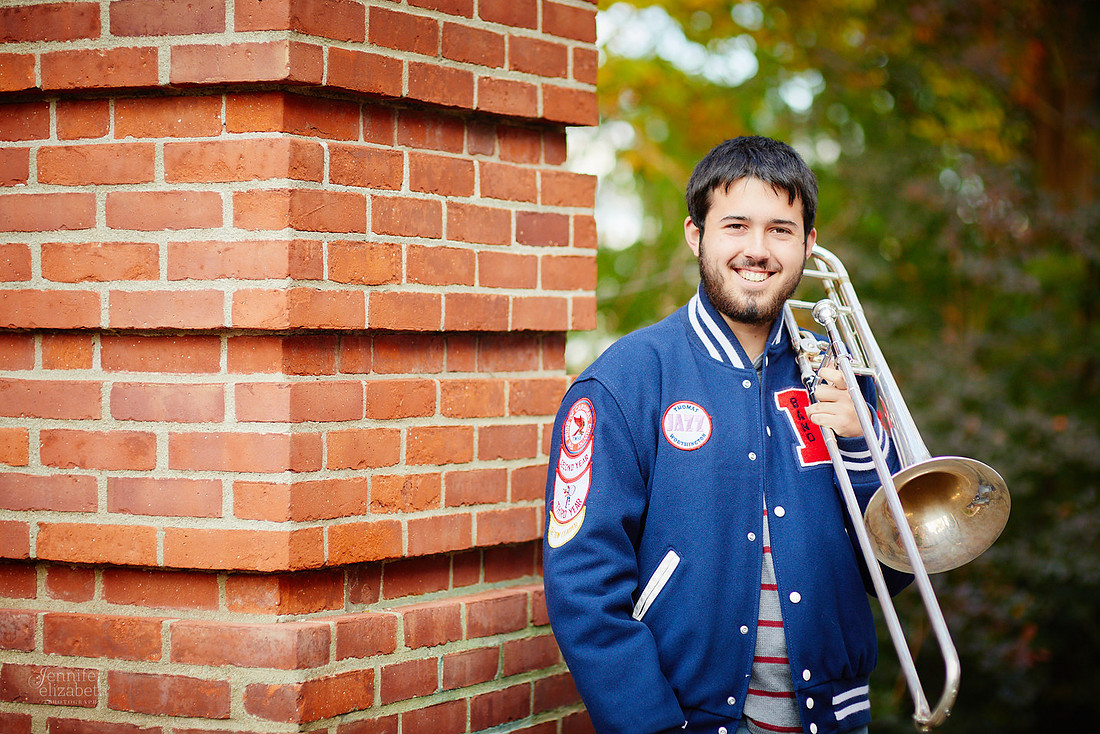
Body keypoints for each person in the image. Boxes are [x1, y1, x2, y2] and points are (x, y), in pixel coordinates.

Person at [542, 136, 911, 734]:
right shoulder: (624, 381)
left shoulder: (845, 378)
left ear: (808, 244)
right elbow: (583, 588)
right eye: (736, 225)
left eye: (781, 230)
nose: (757, 250)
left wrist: (859, 449)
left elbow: (895, 575)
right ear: (696, 235)